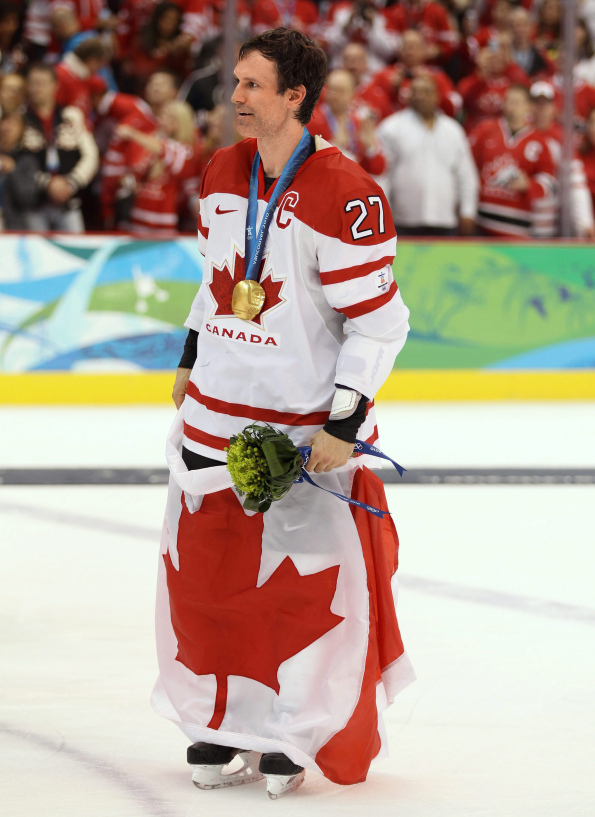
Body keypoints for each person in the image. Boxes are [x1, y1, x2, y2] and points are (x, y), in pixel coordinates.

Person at [153, 26, 414, 800]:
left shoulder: (348, 192)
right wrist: (191, 354)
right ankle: (222, 717)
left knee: (299, 587)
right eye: (235, 81)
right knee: (207, 580)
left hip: (296, 430)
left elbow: (379, 324)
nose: (234, 96)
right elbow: (214, 279)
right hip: (211, 420)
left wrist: (342, 423)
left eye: (252, 84)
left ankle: (292, 727)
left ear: (294, 96)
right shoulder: (221, 170)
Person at [378, 72, 478, 235]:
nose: (420, 96)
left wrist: (468, 211)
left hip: (444, 219)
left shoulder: (453, 130)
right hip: (404, 219)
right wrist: (382, 212)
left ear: (437, 96)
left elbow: (465, 174)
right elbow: (382, 174)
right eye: (415, 91)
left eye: (426, 91)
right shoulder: (391, 128)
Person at [3, 62, 99, 231]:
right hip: (32, 203)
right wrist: (47, 183)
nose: (37, 89)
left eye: (43, 83)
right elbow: (12, 160)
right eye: (33, 83)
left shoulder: (72, 116)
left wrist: (72, 182)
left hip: (69, 199)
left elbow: (91, 155)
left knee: (75, 245)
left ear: (55, 85)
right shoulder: (19, 119)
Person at [469, 83, 557, 237]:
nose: (511, 106)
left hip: (518, 228)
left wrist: (528, 185)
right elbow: (468, 168)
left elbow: (549, 182)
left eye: (516, 102)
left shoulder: (539, 141)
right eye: (508, 101)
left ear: (528, 107)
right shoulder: (484, 131)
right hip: (482, 223)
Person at [530, 81, 595, 239]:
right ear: (529, 106)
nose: (541, 109)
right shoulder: (523, 133)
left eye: (546, 104)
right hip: (520, 220)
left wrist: (584, 224)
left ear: (554, 107)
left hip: (551, 225)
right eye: (537, 104)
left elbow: (576, 183)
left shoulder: (562, 139)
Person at [307, 69, 386, 175]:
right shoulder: (312, 121)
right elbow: (308, 165)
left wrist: (369, 148)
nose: (335, 96)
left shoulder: (359, 122)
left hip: (353, 181)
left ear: (353, 94)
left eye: (341, 91)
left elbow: (378, 169)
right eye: (331, 90)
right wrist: (334, 146)